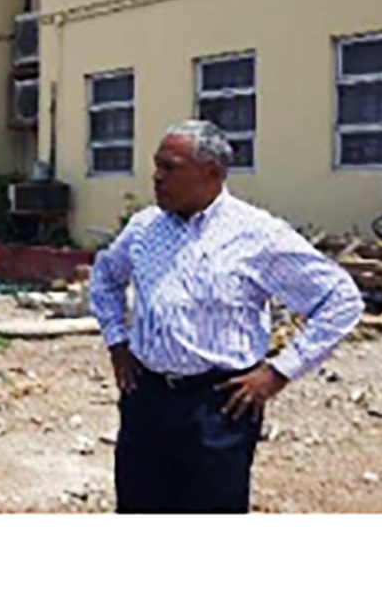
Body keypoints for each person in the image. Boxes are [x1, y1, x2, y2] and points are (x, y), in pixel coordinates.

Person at [90, 119, 364, 513]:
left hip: (218, 408)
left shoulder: (258, 234)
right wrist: (117, 342)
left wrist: (277, 373)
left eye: (169, 167)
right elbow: (105, 278)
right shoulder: (144, 228)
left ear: (211, 173)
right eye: (157, 165)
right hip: (146, 401)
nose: (157, 177)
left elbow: (341, 300)